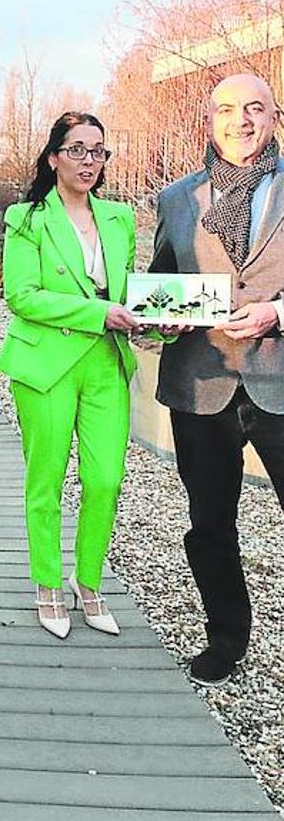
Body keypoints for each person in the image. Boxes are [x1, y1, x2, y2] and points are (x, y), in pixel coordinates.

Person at [151, 73, 284, 686]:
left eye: (255, 108)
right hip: (201, 383)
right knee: (209, 522)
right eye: (227, 109)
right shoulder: (177, 199)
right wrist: (160, 320)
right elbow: (161, 281)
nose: (241, 120)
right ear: (210, 121)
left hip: (279, 379)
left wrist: (277, 312)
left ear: (274, 117)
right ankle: (226, 637)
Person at [0, 112, 140, 639]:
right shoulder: (26, 218)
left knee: (105, 478)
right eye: (77, 150)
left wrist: (155, 322)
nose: (89, 162)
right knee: (47, 480)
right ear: (54, 156)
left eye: (98, 151)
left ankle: (90, 581)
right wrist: (98, 313)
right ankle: (47, 583)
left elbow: (130, 295)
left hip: (107, 361)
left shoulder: (120, 219)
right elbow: (22, 295)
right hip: (48, 364)